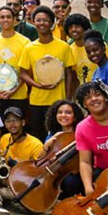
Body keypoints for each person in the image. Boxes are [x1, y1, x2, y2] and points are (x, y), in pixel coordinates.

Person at [17, 7, 76, 140]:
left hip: (58, 101)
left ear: (52, 23)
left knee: (58, 137)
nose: (42, 23)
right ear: (33, 22)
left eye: (45, 20)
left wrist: (66, 98)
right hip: (37, 101)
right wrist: (37, 85)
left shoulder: (63, 47)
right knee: (38, 137)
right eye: (38, 20)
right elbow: (23, 73)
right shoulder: (29, 48)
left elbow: (69, 74)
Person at [0, 5, 31, 119]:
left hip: (18, 95)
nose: (5, 20)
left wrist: (13, 90)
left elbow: (27, 71)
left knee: (17, 127)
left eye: (9, 17)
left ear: (14, 19)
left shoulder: (25, 42)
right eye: (2, 17)